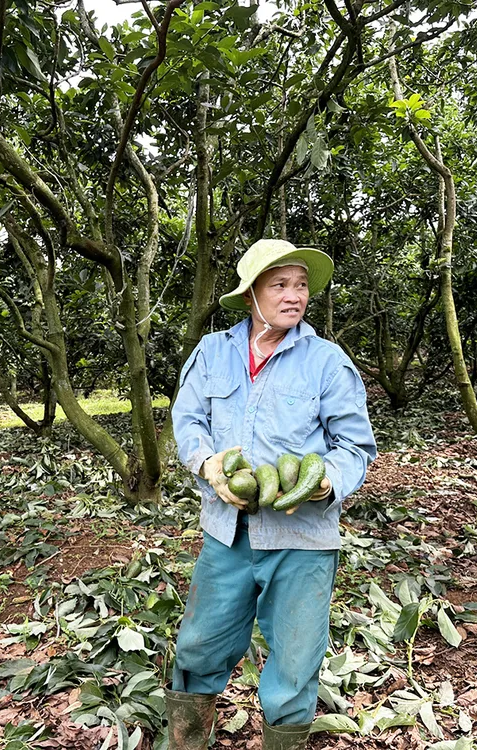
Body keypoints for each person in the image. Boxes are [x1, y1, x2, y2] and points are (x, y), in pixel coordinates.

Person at [166, 239, 377, 750]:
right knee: (199, 648)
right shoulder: (213, 351)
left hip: (301, 538)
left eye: (301, 285)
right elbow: (189, 419)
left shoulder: (327, 362)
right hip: (226, 533)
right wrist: (206, 463)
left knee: (294, 664)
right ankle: (185, 741)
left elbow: (355, 445)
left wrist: (327, 479)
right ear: (251, 295)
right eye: (279, 285)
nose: (294, 296)